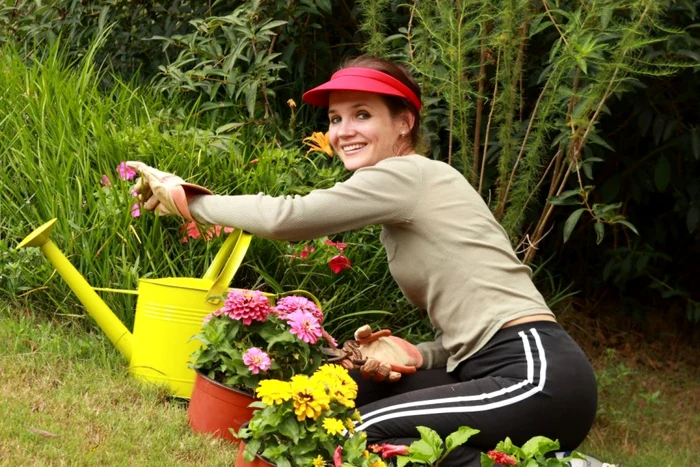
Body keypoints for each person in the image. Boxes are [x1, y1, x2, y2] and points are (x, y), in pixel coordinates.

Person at [128, 55, 598, 466]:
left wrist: (191, 201)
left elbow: (287, 217)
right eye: (335, 118)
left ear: (403, 123)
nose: (343, 131)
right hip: (484, 366)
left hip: (536, 375)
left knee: (353, 437)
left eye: (362, 114)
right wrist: (416, 353)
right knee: (344, 400)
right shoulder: (415, 187)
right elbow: (474, 326)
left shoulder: (407, 174)